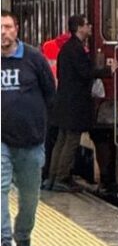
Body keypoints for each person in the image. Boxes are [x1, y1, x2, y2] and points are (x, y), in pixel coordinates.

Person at [2, 10, 56, 246]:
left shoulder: (34, 59)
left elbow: (50, 91)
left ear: (17, 30)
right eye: (0, 27)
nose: (3, 32)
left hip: (31, 140)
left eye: (8, 27)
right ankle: (3, 242)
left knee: (29, 197)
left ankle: (23, 236)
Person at [45, 15, 114, 192]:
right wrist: (107, 71)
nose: (90, 27)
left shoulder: (68, 49)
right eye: (87, 24)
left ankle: (52, 177)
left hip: (64, 102)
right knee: (71, 140)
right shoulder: (75, 50)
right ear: (79, 28)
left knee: (62, 140)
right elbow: (85, 72)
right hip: (73, 105)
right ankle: (62, 178)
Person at [39, 31, 70, 185]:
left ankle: (46, 174)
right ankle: (55, 175)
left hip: (48, 98)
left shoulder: (47, 46)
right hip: (63, 99)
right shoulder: (76, 49)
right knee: (61, 137)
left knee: (50, 138)